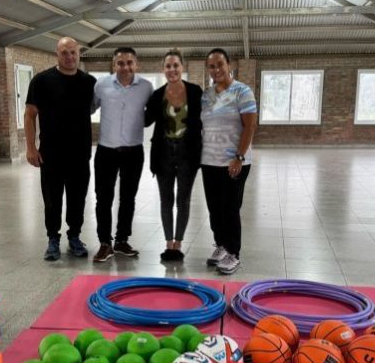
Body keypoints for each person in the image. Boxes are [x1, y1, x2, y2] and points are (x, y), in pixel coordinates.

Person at [24, 37, 96, 261]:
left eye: (73, 52)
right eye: (65, 52)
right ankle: (53, 239)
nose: (69, 57)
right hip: (51, 154)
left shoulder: (89, 82)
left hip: (80, 154)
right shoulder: (41, 81)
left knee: (77, 198)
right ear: (57, 53)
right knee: (52, 199)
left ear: (79, 53)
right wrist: (30, 147)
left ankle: (74, 237)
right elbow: (30, 114)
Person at [91, 47, 153, 263]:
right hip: (105, 151)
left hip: (133, 152)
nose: (125, 67)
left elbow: (154, 113)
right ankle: (105, 243)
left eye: (129, 63)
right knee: (103, 198)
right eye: (120, 63)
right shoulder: (101, 85)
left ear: (136, 64)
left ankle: (122, 240)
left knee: (128, 198)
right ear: (114, 64)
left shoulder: (146, 87)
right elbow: (88, 108)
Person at [200, 48, 258, 275]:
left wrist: (239, 157)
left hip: (234, 162)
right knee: (214, 209)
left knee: (230, 208)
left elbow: (250, 126)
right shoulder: (206, 95)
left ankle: (233, 253)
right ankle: (221, 245)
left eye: (220, 65)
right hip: (209, 161)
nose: (216, 70)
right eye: (211, 66)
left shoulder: (242, 91)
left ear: (228, 65)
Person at [145, 49, 203, 262]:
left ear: (182, 67)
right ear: (163, 69)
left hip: (188, 154)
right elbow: (146, 121)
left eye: (175, 65)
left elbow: (205, 119)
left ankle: (178, 243)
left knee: (183, 200)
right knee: (166, 199)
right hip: (163, 154)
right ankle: (168, 243)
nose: (172, 69)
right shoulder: (157, 95)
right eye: (168, 66)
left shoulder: (195, 92)